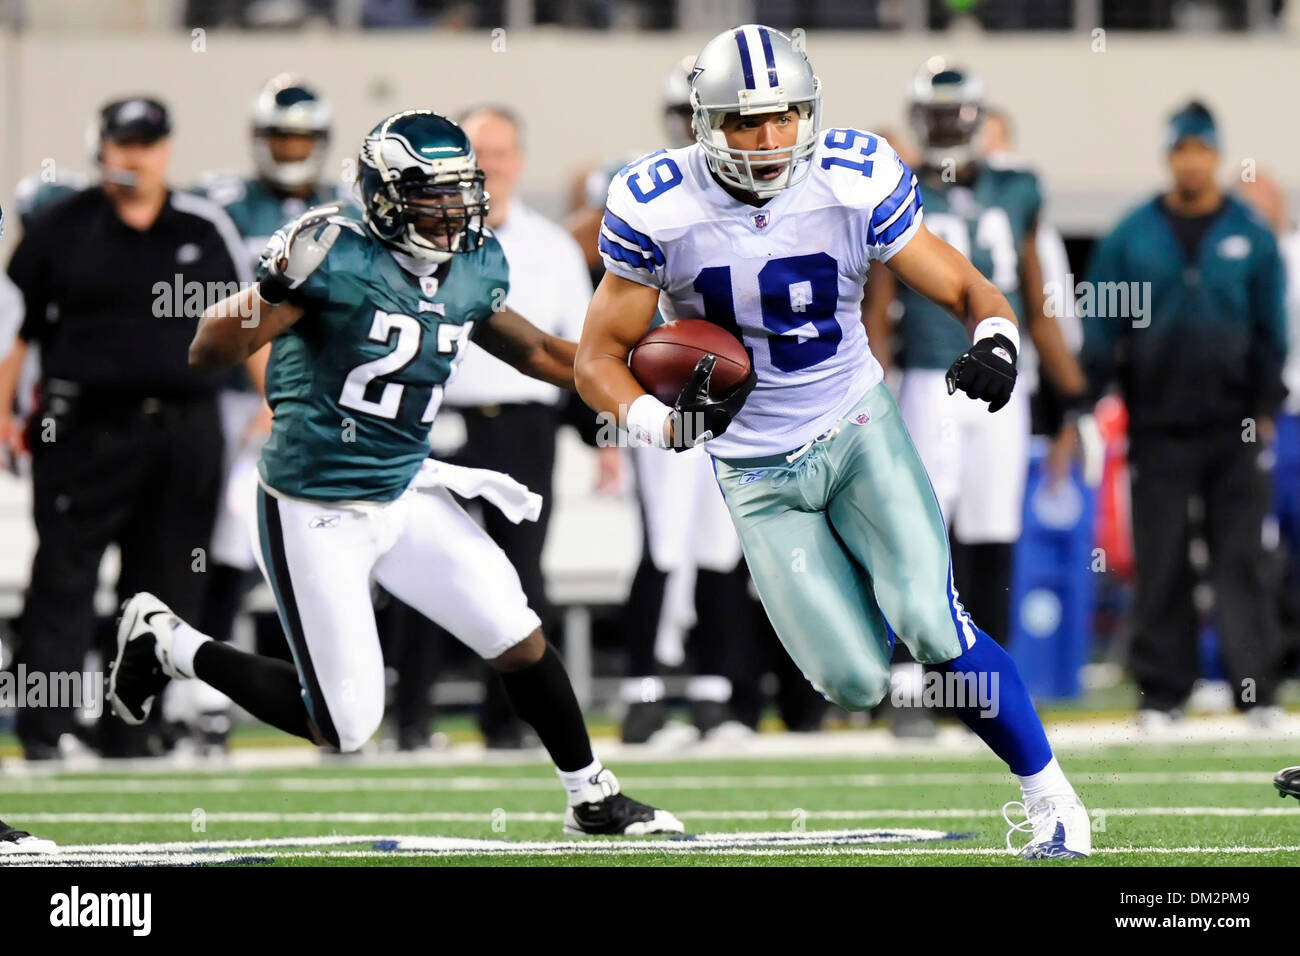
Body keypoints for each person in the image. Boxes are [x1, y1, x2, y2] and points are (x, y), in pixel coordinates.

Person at [576, 24, 1090, 858]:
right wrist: (658, 421)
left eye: (784, 117)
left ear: (809, 113)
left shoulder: (853, 178)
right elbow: (596, 359)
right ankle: (860, 566)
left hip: (856, 426)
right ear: (704, 125)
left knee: (932, 619)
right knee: (852, 680)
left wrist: (995, 337)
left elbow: (963, 283)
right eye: (746, 122)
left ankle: (1055, 801)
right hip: (753, 468)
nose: (769, 139)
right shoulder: (658, 203)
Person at [108, 110, 682, 836]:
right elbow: (207, 349)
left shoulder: (475, 263)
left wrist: (635, 378)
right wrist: (276, 286)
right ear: (383, 194)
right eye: (429, 193)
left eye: (458, 191)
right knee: (345, 725)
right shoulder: (333, 256)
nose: (450, 211)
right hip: (312, 504)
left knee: (516, 631)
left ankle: (590, 794)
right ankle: (170, 641)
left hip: (403, 486)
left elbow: (535, 350)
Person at [0, 97, 248, 759]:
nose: (133, 156)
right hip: (84, 427)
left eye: (145, 143)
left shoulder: (203, 224)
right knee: (63, 578)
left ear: (165, 149)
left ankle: (132, 730)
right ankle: (45, 733)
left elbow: (250, 324)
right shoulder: (60, 226)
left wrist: (276, 405)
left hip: (186, 429)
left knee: (167, 586)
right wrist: (2, 411)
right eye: (122, 143)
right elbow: (14, 331)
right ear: (100, 148)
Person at [1083, 101, 1287, 729]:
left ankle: (1255, 691)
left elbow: (1271, 329)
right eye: (1183, 150)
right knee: (1162, 555)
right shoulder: (1133, 235)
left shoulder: (1249, 235)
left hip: (1234, 423)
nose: (1192, 161)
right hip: (1158, 421)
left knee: (1241, 557)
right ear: (1170, 156)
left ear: (1216, 155)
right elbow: (1100, 323)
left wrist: (1265, 404)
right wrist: (1092, 394)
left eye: (1202, 149)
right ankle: (1163, 693)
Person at [181, 75, 342, 752]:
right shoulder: (225, 207)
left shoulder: (344, 212)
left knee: (325, 555)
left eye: (303, 137)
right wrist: (269, 396)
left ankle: (335, 692)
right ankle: (199, 697)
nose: (292, 148)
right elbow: (225, 311)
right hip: (242, 409)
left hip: (317, 406)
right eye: (282, 136)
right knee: (222, 552)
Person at [439, 104, 593, 749]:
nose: (491, 167)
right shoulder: (428, 239)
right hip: (438, 421)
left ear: (519, 162)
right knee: (429, 561)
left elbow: (572, 351)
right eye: (479, 153)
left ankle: (509, 724)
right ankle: (412, 720)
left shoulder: (552, 246)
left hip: (527, 425)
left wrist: (603, 430)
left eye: (500, 153)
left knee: (520, 575)